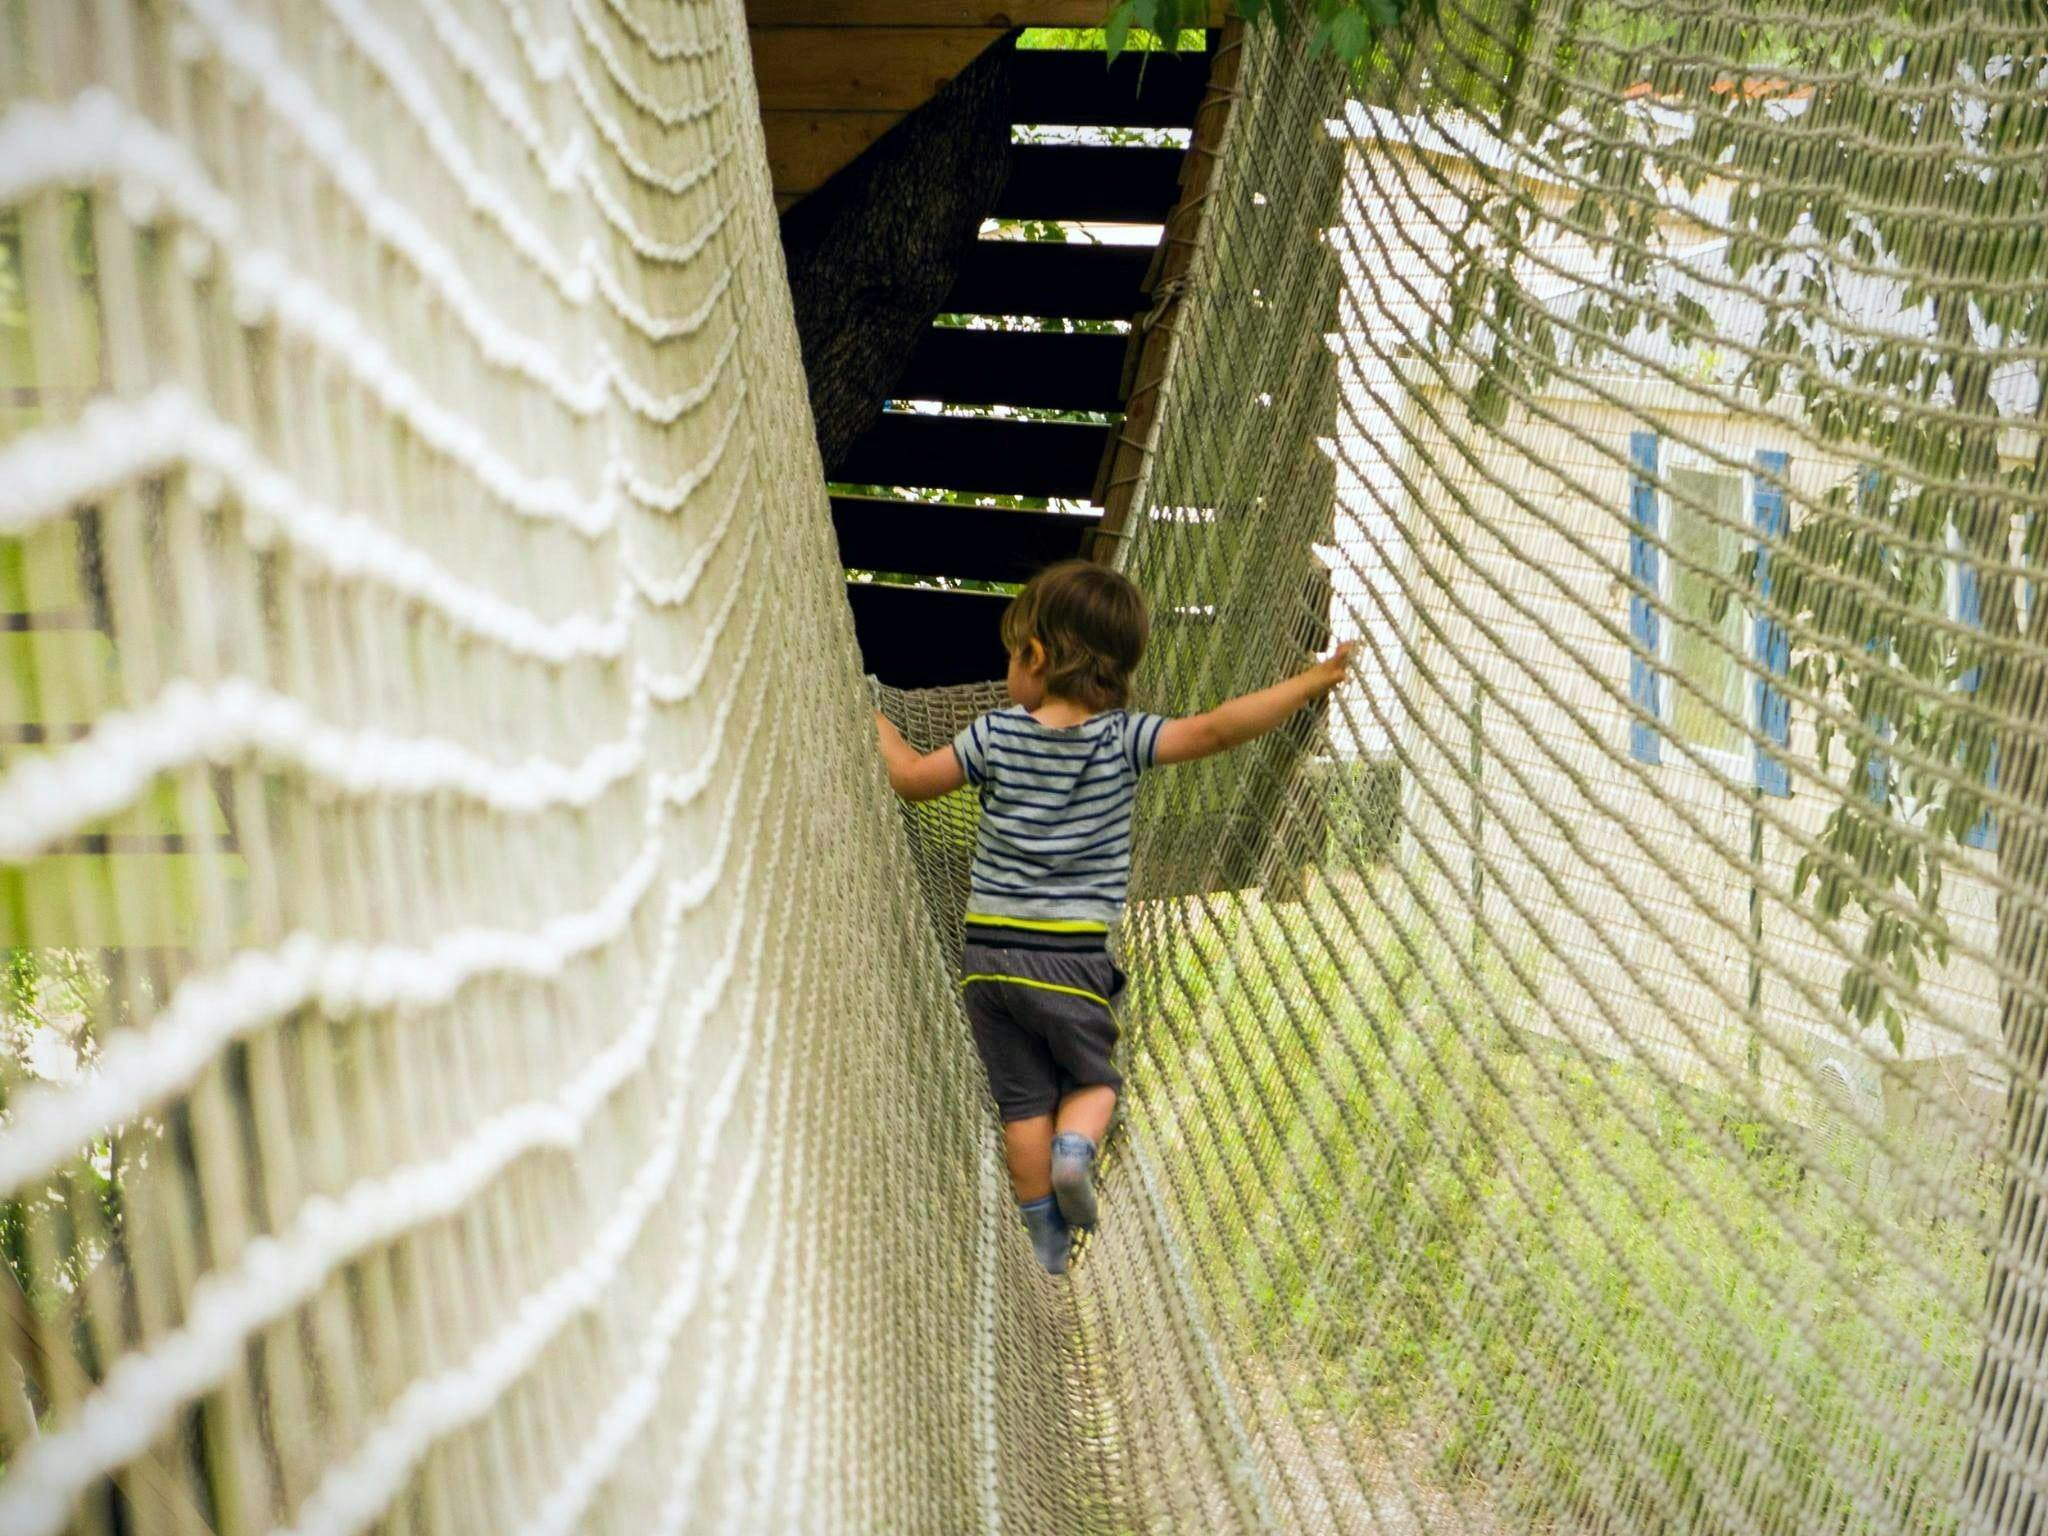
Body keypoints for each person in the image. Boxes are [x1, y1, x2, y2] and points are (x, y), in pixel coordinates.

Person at [875, 560, 1352, 1275]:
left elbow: (911, 781)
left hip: (988, 962)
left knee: (1022, 1105)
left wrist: (873, 714)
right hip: (1072, 963)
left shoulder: (995, 735)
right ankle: (1076, 1154)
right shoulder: (1123, 739)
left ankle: (1043, 1238)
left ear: (1035, 657)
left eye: (1012, 652)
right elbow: (1218, 730)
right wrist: (1313, 680)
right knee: (1092, 1083)